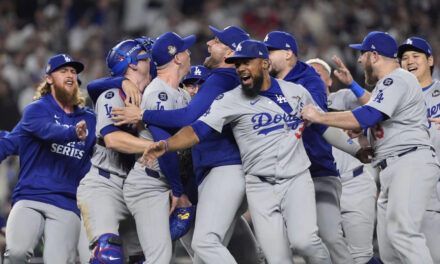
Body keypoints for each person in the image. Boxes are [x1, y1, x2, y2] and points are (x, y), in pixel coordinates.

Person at [141, 39, 332, 264]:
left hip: (296, 179)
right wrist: (167, 145)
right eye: (237, 63)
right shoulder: (230, 100)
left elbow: (323, 125)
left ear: (264, 63)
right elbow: (196, 130)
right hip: (259, 186)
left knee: (304, 242)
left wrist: (357, 148)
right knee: (277, 259)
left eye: (246, 62)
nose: (240, 68)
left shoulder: (296, 92)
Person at [108, 26, 263, 264]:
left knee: (203, 245)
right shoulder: (168, 91)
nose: (207, 45)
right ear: (178, 57)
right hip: (167, 180)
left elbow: (187, 118)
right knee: (203, 252)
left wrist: (142, 114)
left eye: (216, 41)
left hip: (214, 172)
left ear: (232, 52)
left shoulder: (221, 79)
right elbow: (172, 137)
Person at [301, 31, 440, 264]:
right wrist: (366, 131)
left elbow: (368, 114)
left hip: (409, 163)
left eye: (362, 54)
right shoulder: (388, 85)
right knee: (389, 252)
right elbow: (384, 120)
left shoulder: (396, 78)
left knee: (404, 235)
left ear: (374, 56)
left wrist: (320, 116)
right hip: (393, 168)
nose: (359, 60)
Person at [264, 30, 354, 264]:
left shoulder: (309, 78)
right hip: (279, 175)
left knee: (331, 238)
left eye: (270, 51)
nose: (266, 57)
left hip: (318, 170)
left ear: (288, 53)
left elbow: (317, 117)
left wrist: (354, 149)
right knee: (282, 246)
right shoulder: (264, 80)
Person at [0, 54, 96, 264]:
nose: (70, 74)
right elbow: (43, 131)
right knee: (16, 252)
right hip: (31, 196)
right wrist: (72, 133)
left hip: (68, 202)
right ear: (49, 79)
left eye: (73, 72)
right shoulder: (36, 109)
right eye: (63, 71)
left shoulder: (90, 119)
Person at [76, 38, 154, 263]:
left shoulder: (153, 91)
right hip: (106, 184)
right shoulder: (112, 95)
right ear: (133, 64)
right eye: (146, 57)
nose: (152, 60)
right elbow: (112, 139)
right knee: (108, 256)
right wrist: (157, 147)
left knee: (145, 258)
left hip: (139, 187)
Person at [307, 58, 380, 264]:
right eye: (307, 74)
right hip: (321, 184)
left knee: (361, 256)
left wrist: (352, 85)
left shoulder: (343, 98)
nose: (312, 79)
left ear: (329, 81)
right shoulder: (299, 107)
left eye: (317, 74)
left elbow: (378, 106)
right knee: (325, 250)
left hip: (353, 183)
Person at [397, 36, 440, 264]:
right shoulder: (398, 100)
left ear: (430, 60)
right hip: (416, 185)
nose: (409, 61)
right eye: (404, 58)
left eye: (416, 56)